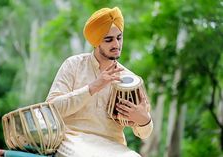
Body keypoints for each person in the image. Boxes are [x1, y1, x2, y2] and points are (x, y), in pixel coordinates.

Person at [46, 7, 153, 157]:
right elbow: (51, 109)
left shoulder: (129, 79)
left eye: (119, 37)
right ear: (96, 42)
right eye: (109, 39)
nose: (116, 44)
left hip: (114, 146)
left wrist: (143, 119)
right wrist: (94, 86)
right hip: (73, 139)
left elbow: (145, 133)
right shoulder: (74, 65)